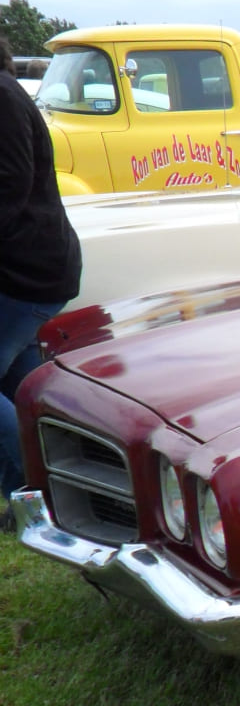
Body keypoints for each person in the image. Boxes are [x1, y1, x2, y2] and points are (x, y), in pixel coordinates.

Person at [0, 35, 82, 500]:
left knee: (26, 390)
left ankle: (30, 490)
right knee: (28, 393)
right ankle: (46, 488)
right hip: (30, 266)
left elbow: (10, 185)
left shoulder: (2, 97)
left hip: (27, 271)